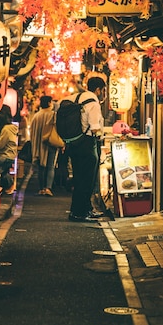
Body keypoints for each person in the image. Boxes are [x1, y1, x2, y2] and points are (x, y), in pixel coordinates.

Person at [64, 76, 106, 222]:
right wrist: (101, 136)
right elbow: (95, 128)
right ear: (99, 89)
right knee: (87, 180)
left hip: (74, 143)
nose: (103, 94)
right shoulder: (93, 102)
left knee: (79, 178)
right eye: (103, 90)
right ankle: (80, 212)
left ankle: (81, 210)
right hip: (87, 144)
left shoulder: (76, 97)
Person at [30, 95, 60, 197]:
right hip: (51, 143)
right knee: (50, 166)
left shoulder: (36, 116)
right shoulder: (53, 115)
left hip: (39, 144)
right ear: (48, 103)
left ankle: (41, 188)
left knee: (41, 167)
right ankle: (48, 188)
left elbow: (32, 132)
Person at [0, 105, 18, 192]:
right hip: (10, 155)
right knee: (3, 172)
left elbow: (0, 146)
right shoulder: (11, 127)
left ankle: (5, 186)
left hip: (5, 156)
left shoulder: (6, 129)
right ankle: (8, 186)